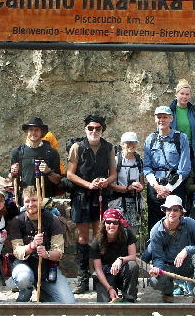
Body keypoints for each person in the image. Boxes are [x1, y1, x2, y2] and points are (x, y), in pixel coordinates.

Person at [66, 114, 117, 294]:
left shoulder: (109, 148)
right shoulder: (77, 147)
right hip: (82, 195)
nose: (94, 131)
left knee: (99, 236)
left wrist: (105, 182)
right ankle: (82, 278)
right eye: (90, 128)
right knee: (82, 238)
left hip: (101, 195)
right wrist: (88, 184)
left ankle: (99, 276)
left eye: (98, 128)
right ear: (85, 129)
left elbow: (113, 174)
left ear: (102, 130)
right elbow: (70, 174)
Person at [7, 186, 75, 303]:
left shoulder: (52, 220)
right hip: (24, 264)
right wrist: (32, 246)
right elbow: (17, 252)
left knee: (68, 302)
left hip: (46, 266)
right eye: (27, 201)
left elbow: (58, 253)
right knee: (23, 278)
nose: (31, 204)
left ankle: (44, 292)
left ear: (41, 199)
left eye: (34, 200)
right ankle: (24, 296)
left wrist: (46, 254)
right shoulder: (17, 221)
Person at [148, 195, 195, 303]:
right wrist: (157, 270)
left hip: (187, 265)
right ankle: (168, 292)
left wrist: (187, 250)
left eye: (176, 210)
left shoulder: (190, 223)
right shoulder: (156, 231)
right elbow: (158, 258)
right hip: (167, 267)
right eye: (169, 209)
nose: (172, 213)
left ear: (181, 212)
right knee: (155, 281)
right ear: (164, 210)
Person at [143, 106, 191, 233]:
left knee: (176, 223)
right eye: (159, 117)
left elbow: (184, 169)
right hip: (155, 187)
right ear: (155, 119)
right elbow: (147, 167)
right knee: (155, 223)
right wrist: (157, 186)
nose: (161, 120)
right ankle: (155, 252)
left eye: (165, 117)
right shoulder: (150, 139)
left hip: (175, 186)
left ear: (171, 118)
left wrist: (168, 189)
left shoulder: (181, 138)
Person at [9, 118, 63, 204]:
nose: (33, 133)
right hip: (26, 201)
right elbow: (10, 179)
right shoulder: (17, 152)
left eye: (37, 130)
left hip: (45, 200)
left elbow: (58, 180)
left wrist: (48, 172)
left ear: (42, 132)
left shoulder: (52, 153)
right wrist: (13, 173)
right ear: (27, 132)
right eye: (31, 130)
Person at [90, 209, 139, 303]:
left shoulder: (127, 234)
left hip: (123, 271)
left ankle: (129, 297)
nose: (111, 225)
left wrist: (121, 259)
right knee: (103, 303)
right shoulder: (97, 241)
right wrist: (109, 288)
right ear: (104, 223)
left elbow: (133, 256)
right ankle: (112, 291)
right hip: (105, 275)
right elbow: (98, 269)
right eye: (108, 222)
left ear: (119, 224)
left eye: (115, 222)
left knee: (133, 265)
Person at [108, 132, 144, 235]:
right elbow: (110, 185)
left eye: (133, 142)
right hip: (118, 202)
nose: (131, 145)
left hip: (134, 202)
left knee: (132, 232)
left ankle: (131, 251)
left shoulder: (138, 160)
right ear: (122, 144)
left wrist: (140, 187)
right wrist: (127, 188)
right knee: (117, 231)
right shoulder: (115, 160)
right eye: (128, 142)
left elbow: (142, 182)